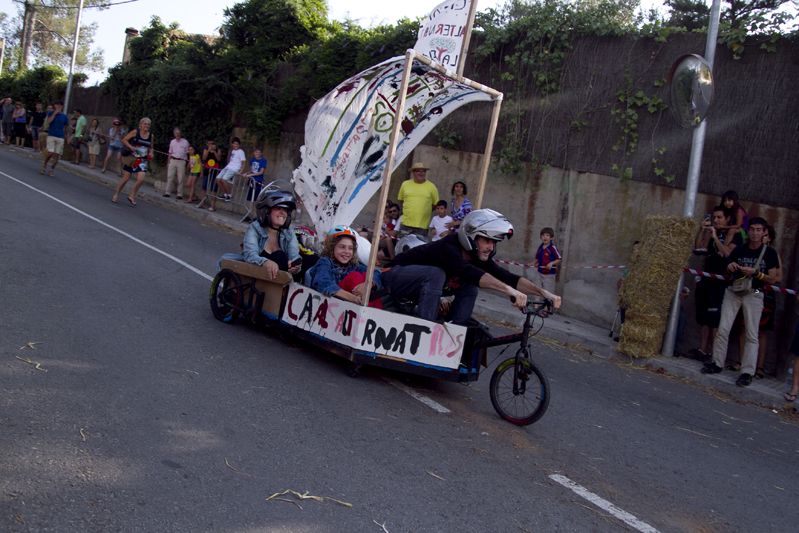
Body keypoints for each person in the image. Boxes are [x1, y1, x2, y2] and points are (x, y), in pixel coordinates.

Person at [383, 209, 562, 325]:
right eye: (486, 240)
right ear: (471, 236)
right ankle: (425, 328)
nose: (491, 247)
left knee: (470, 285)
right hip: (394, 276)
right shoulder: (449, 247)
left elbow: (507, 277)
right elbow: (469, 272)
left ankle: (454, 329)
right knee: (437, 273)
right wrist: (509, 292)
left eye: (494, 242)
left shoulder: (476, 255)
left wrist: (545, 293)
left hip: (417, 286)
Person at [701, 217, 780, 387]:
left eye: (759, 230)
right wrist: (730, 267)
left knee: (752, 333)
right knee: (723, 328)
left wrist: (756, 273)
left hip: (756, 292)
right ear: (748, 230)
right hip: (734, 290)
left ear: (764, 232)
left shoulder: (770, 252)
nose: (755, 233)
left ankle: (747, 372)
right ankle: (717, 363)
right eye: (752, 229)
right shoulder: (740, 249)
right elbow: (727, 265)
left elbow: (773, 279)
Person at [690, 206, 741, 360]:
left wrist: (716, 238)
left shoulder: (735, 235)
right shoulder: (712, 232)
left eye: (720, 217)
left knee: (716, 319)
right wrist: (702, 230)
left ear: (727, 219)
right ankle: (702, 349)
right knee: (704, 317)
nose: (716, 220)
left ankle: (714, 354)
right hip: (707, 278)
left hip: (721, 281)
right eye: (714, 218)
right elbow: (698, 249)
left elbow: (727, 254)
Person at [217, 189, 301, 280]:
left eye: (285, 210)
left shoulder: (289, 232)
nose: (282, 213)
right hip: (256, 274)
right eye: (278, 208)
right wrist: (265, 262)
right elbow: (250, 254)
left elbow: (294, 256)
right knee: (225, 259)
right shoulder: (255, 228)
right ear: (267, 211)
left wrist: (295, 266)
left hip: (280, 279)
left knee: (282, 257)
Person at [306, 226, 383, 307]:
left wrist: (367, 285)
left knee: (367, 276)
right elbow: (323, 283)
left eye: (350, 248)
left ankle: (375, 313)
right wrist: (353, 298)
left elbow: (376, 272)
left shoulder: (353, 265)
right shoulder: (325, 262)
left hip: (350, 305)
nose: (347, 251)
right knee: (355, 276)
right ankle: (366, 309)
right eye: (342, 247)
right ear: (332, 247)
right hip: (327, 304)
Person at [111, 117, 154, 206]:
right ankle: (116, 194)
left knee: (141, 179)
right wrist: (131, 147)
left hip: (142, 159)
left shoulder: (151, 135)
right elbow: (124, 140)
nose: (147, 126)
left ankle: (132, 195)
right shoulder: (136, 132)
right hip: (132, 158)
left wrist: (151, 153)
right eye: (145, 124)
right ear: (141, 125)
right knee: (126, 178)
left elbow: (151, 147)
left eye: (148, 124)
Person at [397, 162, 439, 236]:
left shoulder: (432, 186)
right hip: (405, 224)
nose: (421, 173)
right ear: (413, 172)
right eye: (418, 171)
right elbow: (401, 200)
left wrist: (425, 210)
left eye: (423, 171)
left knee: (418, 247)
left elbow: (435, 204)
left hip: (422, 226)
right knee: (402, 246)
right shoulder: (405, 184)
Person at [41, 101, 69, 176]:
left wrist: (67, 136)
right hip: (51, 135)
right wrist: (55, 113)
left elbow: (66, 127)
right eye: (57, 105)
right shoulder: (51, 113)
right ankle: (45, 164)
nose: (58, 106)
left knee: (57, 155)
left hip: (60, 137)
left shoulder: (64, 116)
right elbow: (49, 122)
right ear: (55, 106)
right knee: (50, 152)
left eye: (60, 105)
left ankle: (52, 169)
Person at [533, 227, 561, 294]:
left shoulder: (552, 248)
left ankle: (547, 304)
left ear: (551, 238)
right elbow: (537, 258)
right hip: (539, 272)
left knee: (548, 292)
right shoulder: (541, 246)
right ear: (541, 237)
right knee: (537, 289)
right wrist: (533, 263)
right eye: (543, 235)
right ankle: (536, 304)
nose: (545, 237)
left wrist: (551, 263)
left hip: (549, 274)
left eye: (547, 235)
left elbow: (559, 259)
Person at [165, 127, 190, 199]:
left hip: (181, 161)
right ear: (174, 134)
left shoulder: (185, 142)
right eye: (176, 133)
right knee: (170, 176)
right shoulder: (172, 142)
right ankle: (167, 192)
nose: (177, 134)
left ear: (181, 134)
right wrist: (168, 162)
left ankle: (179, 194)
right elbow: (170, 152)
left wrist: (188, 161)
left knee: (181, 178)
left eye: (179, 133)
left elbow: (188, 152)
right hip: (172, 160)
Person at [244, 147, 268, 221]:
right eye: (255, 152)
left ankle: (255, 216)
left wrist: (250, 175)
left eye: (258, 152)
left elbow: (261, 172)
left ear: (261, 153)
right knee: (250, 199)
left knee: (256, 200)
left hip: (258, 182)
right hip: (251, 181)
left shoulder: (263, 161)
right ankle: (249, 215)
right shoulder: (252, 160)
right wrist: (247, 173)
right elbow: (252, 170)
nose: (257, 153)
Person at [199, 139, 222, 208]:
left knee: (214, 188)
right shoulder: (206, 149)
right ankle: (202, 203)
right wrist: (209, 150)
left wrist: (214, 151)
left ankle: (212, 205)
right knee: (204, 186)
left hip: (215, 170)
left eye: (212, 143)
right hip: (207, 169)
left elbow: (218, 159)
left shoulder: (218, 150)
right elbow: (204, 158)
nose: (210, 145)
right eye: (209, 144)